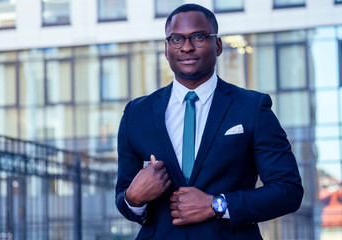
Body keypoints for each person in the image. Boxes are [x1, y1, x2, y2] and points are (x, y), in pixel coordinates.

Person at [115, 3, 303, 240]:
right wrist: (134, 198)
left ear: (218, 45)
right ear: (166, 48)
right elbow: (124, 198)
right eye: (176, 39)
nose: (186, 47)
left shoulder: (252, 108)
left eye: (199, 37)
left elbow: (288, 191)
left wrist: (216, 205)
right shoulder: (136, 114)